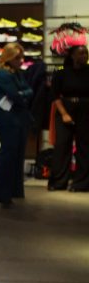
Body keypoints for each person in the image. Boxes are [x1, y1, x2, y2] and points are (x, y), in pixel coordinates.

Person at [0, 42, 33, 207]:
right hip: (7, 120)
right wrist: (22, 93)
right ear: (8, 58)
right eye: (17, 58)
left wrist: (22, 93)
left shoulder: (16, 73)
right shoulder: (2, 74)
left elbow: (29, 91)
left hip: (18, 119)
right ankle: (1, 194)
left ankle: (11, 191)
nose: (21, 61)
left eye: (21, 57)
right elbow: (16, 95)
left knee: (16, 157)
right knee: (7, 157)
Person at [49, 44, 89, 191]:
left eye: (86, 53)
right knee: (62, 146)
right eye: (81, 53)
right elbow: (54, 94)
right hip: (65, 108)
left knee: (84, 147)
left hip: (86, 111)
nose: (84, 56)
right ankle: (59, 182)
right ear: (72, 56)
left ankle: (82, 183)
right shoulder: (61, 73)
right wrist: (64, 113)